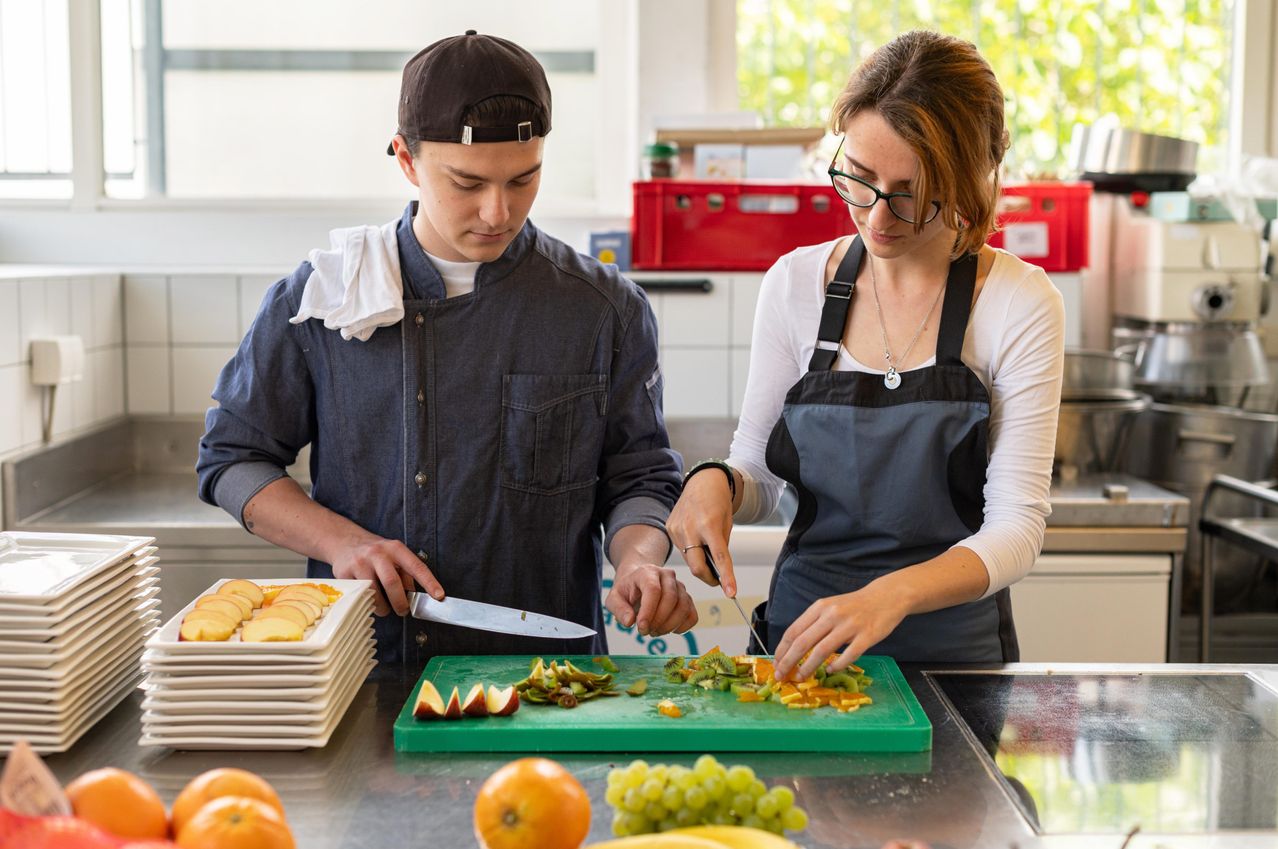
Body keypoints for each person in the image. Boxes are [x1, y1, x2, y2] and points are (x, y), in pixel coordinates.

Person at [196, 31, 696, 668]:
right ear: (406, 159)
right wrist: (342, 542)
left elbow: (640, 477)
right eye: (466, 182)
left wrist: (639, 560)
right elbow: (231, 461)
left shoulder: (603, 309)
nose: (497, 210)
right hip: (363, 672)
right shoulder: (322, 299)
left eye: (524, 179)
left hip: (546, 682)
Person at [666, 30, 1064, 681]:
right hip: (800, 659)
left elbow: (1016, 531)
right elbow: (759, 476)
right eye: (859, 177)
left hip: (954, 672)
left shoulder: (1018, 303)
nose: (877, 216)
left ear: (970, 182)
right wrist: (715, 482)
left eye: (911, 191)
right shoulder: (795, 285)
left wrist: (892, 594)